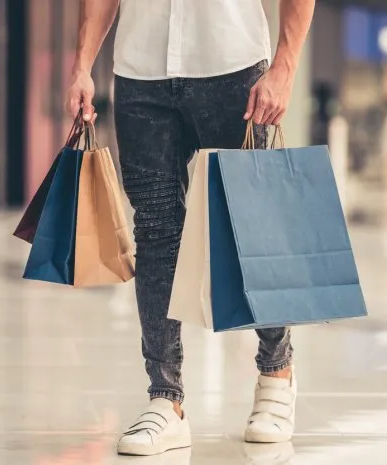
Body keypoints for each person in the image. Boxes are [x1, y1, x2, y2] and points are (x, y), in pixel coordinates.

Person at [65, 0, 315, 456]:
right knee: (155, 232)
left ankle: (277, 372)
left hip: (234, 64)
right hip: (141, 69)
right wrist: (82, 64)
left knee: (250, 225)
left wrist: (284, 67)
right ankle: (166, 400)